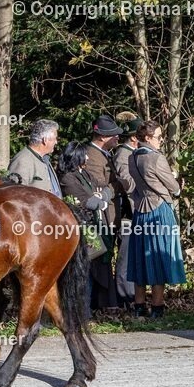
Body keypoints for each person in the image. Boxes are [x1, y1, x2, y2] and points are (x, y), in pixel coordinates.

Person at [127, 120, 185, 319]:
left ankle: (139, 306)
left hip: (140, 211)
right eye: (159, 137)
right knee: (158, 256)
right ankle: (158, 307)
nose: (161, 140)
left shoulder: (132, 156)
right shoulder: (156, 158)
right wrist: (177, 186)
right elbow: (173, 186)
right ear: (149, 138)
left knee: (140, 258)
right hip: (159, 211)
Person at [85, 114, 123, 312]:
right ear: (101, 136)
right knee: (99, 260)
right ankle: (99, 303)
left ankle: (107, 301)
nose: (118, 138)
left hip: (110, 213)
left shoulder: (104, 154)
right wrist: (115, 186)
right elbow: (98, 187)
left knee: (106, 259)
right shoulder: (91, 156)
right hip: (100, 216)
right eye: (114, 135)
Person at [58, 141, 113, 269]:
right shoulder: (67, 178)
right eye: (84, 155)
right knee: (89, 269)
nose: (87, 158)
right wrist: (101, 202)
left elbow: (104, 188)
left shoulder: (84, 173)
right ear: (77, 156)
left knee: (101, 266)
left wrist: (101, 195)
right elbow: (87, 202)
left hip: (96, 225)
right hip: (83, 229)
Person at [113, 115, 141, 310]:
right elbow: (126, 184)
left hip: (133, 212)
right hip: (127, 214)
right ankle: (126, 297)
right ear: (133, 138)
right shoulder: (124, 155)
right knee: (126, 258)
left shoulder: (132, 153)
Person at [6, 120, 62, 195]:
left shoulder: (44, 159)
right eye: (55, 138)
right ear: (45, 140)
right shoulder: (23, 161)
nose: (56, 142)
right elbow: (15, 195)